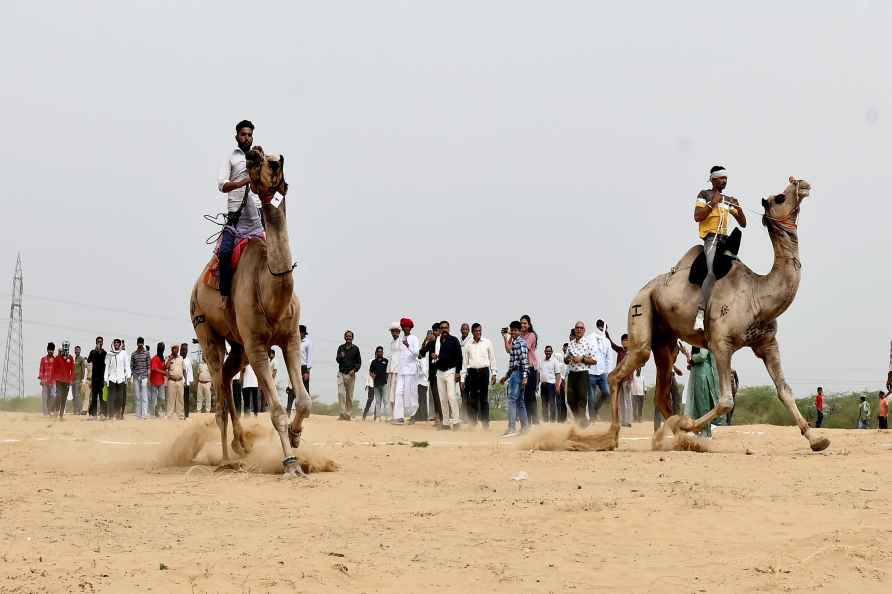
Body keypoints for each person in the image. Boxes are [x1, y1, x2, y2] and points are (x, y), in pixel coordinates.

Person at [692, 165, 747, 331]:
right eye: (722, 178)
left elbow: (743, 223)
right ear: (714, 179)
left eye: (726, 179)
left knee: (739, 272)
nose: (725, 181)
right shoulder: (704, 194)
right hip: (711, 240)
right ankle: (700, 314)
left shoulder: (727, 199)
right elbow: (697, 216)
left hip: (725, 241)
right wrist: (711, 204)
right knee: (711, 272)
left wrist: (738, 208)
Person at [216, 119, 264, 308]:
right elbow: (222, 185)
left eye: (249, 135)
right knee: (225, 252)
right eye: (243, 134)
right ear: (236, 136)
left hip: (258, 215)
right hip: (235, 215)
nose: (246, 138)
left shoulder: (259, 157)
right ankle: (225, 296)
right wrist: (242, 182)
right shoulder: (231, 158)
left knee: (275, 253)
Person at [503, 315, 540, 424]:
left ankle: (535, 423)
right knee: (521, 399)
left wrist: (513, 333)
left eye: (525, 323)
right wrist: (507, 337)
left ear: (529, 325)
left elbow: (524, 346)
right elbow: (509, 349)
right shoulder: (516, 337)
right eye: (521, 323)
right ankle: (526, 425)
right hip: (520, 370)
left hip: (530, 369)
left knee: (529, 397)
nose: (523, 325)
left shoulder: (531, 335)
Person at [461, 323, 498, 428]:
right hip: (472, 372)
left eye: (479, 330)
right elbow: (464, 363)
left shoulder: (487, 342)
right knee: (472, 398)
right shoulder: (468, 345)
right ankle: (473, 423)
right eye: (476, 331)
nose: (478, 333)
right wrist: (462, 379)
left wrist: (494, 373)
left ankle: (485, 423)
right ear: (472, 332)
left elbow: (492, 359)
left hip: (484, 372)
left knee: (484, 398)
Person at [499, 321, 530, 437]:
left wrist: (525, 376)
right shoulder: (515, 342)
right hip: (515, 373)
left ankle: (511, 428)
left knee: (512, 400)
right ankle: (525, 428)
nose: (513, 332)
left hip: (519, 373)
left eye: (515, 330)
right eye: (511, 330)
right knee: (520, 401)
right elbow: (512, 360)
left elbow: (524, 361)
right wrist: (506, 376)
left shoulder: (521, 343)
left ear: (520, 331)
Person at [565, 322, 597, 427]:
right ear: (574, 330)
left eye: (581, 328)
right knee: (570, 400)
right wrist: (568, 358)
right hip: (572, 374)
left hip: (583, 374)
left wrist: (582, 359)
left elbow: (594, 360)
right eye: (577, 328)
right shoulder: (570, 344)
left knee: (581, 400)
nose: (579, 330)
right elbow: (566, 359)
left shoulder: (588, 343)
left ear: (584, 330)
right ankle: (583, 421)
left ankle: (581, 425)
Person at [433, 321, 464, 430]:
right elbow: (434, 358)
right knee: (443, 399)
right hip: (439, 372)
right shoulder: (437, 341)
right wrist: (434, 357)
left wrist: (458, 372)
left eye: (446, 327)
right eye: (442, 328)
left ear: (449, 328)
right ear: (440, 329)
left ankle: (456, 421)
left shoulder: (454, 340)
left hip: (450, 371)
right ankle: (445, 423)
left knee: (451, 396)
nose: (444, 329)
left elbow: (460, 357)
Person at [392, 318, 421, 425]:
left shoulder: (414, 338)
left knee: (411, 394)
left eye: (407, 327)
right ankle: (399, 417)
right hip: (401, 371)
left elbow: (417, 353)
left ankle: (413, 415)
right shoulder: (401, 339)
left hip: (411, 371)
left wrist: (408, 346)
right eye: (404, 327)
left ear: (410, 327)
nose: (406, 328)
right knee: (398, 393)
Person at [687, 346, 720, 437]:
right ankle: (701, 429)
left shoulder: (703, 340)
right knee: (697, 402)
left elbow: (702, 356)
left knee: (703, 402)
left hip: (702, 373)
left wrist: (691, 358)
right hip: (698, 372)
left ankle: (706, 431)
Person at [418, 323, 444, 426]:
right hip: (433, 374)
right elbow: (421, 354)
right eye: (434, 331)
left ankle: (445, 418)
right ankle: (439, 418)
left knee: (444, 397)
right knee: (435, 396)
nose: (435, 332)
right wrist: (426, 340)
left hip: (443, 373)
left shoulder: (445, 342)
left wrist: (438, 355)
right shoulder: (431, 343)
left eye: (437, 330)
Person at [587, 319, 612, 421]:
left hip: (602, 373)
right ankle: (592, 418)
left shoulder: (606, 341)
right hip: (590, 372)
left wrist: (608, 372)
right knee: (591, 398)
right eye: (600, 326)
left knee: (606, 393)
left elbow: (609, 358)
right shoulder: (589, 338)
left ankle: (595, 410)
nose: (602, 328)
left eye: (604, 327)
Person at [336, 330, 361, 420]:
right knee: (341, 393)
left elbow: (359, 362)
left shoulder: (356, 349)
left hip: (351, 375)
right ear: (344, 337)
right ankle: (342, 413)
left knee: (349, 396)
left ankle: (348, 414)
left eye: (350, 336)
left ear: (352, 338)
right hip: (341, 374)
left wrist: (354, 370)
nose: (348, 338)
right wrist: (341, 356)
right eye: (347, 336)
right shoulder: (341, 348)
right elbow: (337, 359)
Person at [105, 338, 130, 420]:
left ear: (120, 344)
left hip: (121, 378)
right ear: (113, 344)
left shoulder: (124, 353)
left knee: (120, 397)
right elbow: (107, 367)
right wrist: (105, 378)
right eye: (115, 343)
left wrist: (128, 375)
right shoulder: (109, 354)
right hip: (112, 378)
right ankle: (111, 414)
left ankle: (118, 413)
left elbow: (127, 365)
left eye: (118, 343)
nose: (116, 344)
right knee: (111, 397)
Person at [288, 324, 311, 415]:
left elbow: (309, 358)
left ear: (303, 333)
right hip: (294, 367)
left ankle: (306, 412)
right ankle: (288, 411)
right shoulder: (293, 341)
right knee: (292, 389)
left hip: (303, 367)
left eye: (300, 332)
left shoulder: (307, 343)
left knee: (305, 390)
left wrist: (307, 371)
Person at [539, 345, 561, 423]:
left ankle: (552, 421)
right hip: (543, 385)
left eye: (549, 351)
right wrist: (537, 385)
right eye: (546, 351)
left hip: (551, 385)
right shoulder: (541, 361)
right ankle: (545, 420)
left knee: (552, 403)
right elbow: (539, 373)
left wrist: (557, 386)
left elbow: (558, 374)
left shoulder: (555, 361)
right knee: (544, 404)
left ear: (551, 352)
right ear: (544, 351)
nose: (548, 352)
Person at [365, 346, 389, 421]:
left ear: (382, 352)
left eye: (381, 351)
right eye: (378, 351)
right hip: (376, 384)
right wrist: (372, 376)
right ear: (376, 352)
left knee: (385, 401)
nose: (380, 353)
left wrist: (386, 377)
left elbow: (388, 371)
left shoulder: (386, 361)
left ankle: (387, 417)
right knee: (378, 401)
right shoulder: (373, 362)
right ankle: (378, 417)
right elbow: (370, 371)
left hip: (384, 383)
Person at [52, 341, 75, 418]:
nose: (65, 347)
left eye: (67, 346)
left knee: (64, 398)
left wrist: (71, 380)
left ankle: (61, 415)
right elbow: (54, 369)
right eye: (64, 346)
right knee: (58, 395)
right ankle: (56, 410)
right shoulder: (57, 358)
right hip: (59, 380)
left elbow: (73, 370)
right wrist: (54, 378)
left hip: (67, 381)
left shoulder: (70, 358)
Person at [130, 337, 151, 419]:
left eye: (141, 343)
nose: (140, 345)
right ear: (137, 343)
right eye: (139, 343)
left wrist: (148, 378)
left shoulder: (147, 353)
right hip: (136, 377)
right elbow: (131, 366)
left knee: (144, 396)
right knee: (137, 396)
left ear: (143, 343)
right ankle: (138, 414)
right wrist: (134, 374)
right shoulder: (133, 354)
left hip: (144, 377)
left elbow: (149, 366)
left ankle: (144, 414)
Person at [87, 337, 107, 418]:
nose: (99, 343)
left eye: (101, 342)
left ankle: (102, 413)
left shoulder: (105, 353)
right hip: (94, 378)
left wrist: (99, 351)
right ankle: (94, 414)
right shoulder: (92, 352)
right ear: (96, 343)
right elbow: (88, 360)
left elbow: (105, 362)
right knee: (94, 397)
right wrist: (95, 351)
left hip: (102, 378)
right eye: (98, 342)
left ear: (102, 343)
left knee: (102, 397)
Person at [385, 323, 401, 418]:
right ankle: (392, 415)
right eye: (392, 331)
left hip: (398, 371)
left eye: (396, 331)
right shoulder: (392, 343)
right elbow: (391, 358)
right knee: (391, 395)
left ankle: (398, 415)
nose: (394, 333)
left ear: (399, 332)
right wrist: (388, 371)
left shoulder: (402, 342)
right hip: (391, 371)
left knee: (397, 394)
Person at [165, 344, 186, 419]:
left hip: (180, 381)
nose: (176, 350)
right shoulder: (168, 358)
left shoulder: (181, 358)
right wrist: (170, 359)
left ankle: (180, 415)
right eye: (175, 349)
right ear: (172, 350)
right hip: (172, 381)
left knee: (180, 398)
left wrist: (185, 380)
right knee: (171, 398)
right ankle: (169, 415)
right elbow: (166, 367)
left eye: (177, 349)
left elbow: (184, 370)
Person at [38, 342, 56, 417]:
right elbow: (41, 370)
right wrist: (41, 379)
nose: (50, 351)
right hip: (45, 381)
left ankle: (50, 410)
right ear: (47, 350)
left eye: (52, 350)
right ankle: (45, 412)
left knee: (53, 396)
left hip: (53, 381)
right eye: (49, 350)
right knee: (45, 397)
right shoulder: (43, 359)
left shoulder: (55, 359)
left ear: (53, 351)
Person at [149, 343, 166, 417]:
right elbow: (154, 368)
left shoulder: (163, 359)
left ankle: (156, 409)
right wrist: (163, 372)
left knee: (162, 398)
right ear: (158, 348)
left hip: (161, 381)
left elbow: (163, 368)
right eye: (161, 348)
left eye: (163, 348)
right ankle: (152, 414)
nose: (162, 349)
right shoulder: (154, 358)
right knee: (153, 398)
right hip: (154, 381)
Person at [180, 342, 194, 417]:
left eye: (186, 350)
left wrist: (189, 382)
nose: (184, 351)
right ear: (180, 350)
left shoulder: (188, 360)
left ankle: (186, 414)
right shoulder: (178, 359)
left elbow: (190, 373)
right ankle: (179, 414)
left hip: (186, 383)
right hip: (178, 382)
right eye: (183, 349)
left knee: (186, 399)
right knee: (179, 400)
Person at [72, 345, 86, 415]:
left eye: (78, 350)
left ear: (80, 351)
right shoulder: (74, 359)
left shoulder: (81, 359)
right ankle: (75, 410)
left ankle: (80, 410)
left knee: (78, 395)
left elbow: (83, 369)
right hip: (73, 380)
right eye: (76, 350)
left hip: (78, 379)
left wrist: (82, 379)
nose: (77, 351)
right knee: (74, 395)